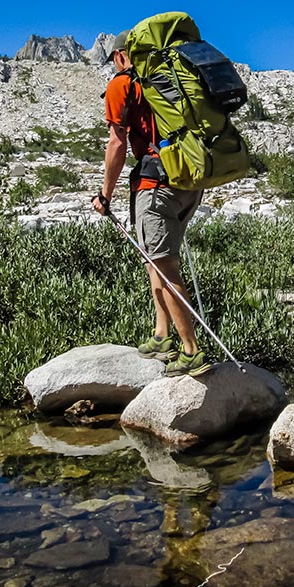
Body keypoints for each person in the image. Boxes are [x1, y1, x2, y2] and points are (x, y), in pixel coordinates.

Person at [92, 30, 209, 377]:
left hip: (154, 184)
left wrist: (105, 194)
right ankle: (162, 335)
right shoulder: (169, 78)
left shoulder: (122, 84)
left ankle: (191, 351)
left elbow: (116, 143)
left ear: (119, 56)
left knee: (164, 266)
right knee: (154, 258)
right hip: (188, 179)